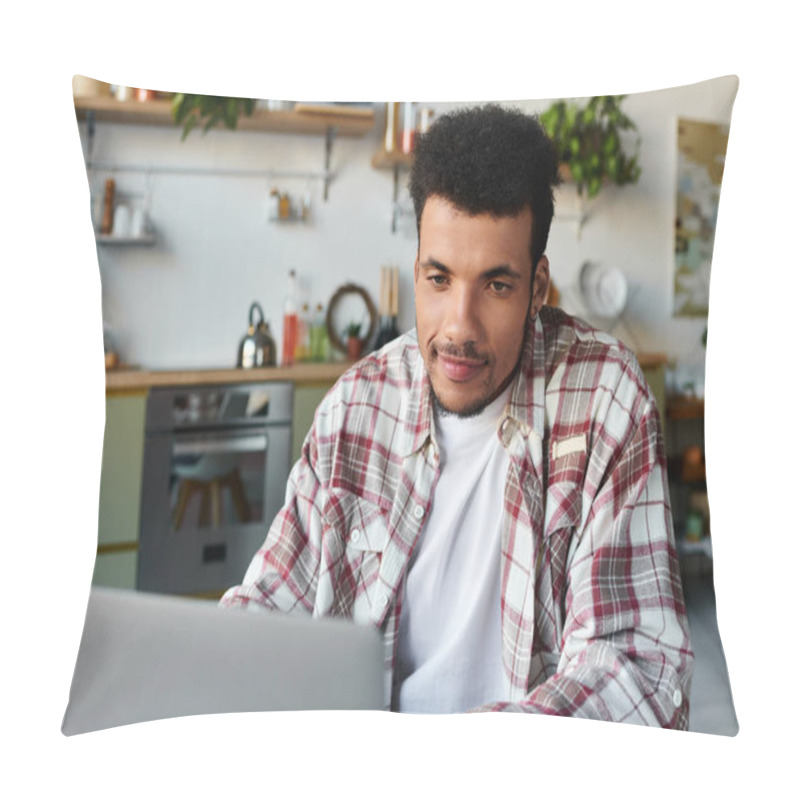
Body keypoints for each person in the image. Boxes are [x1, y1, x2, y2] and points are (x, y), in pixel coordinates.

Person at [220, 103, 694, 728]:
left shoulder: (604, 400)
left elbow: (639, 669)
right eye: (439, 280)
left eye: (496, 285)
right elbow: (272, 605)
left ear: (537, 288)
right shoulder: (356, 407)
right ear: (416, 272)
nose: (459, 329)